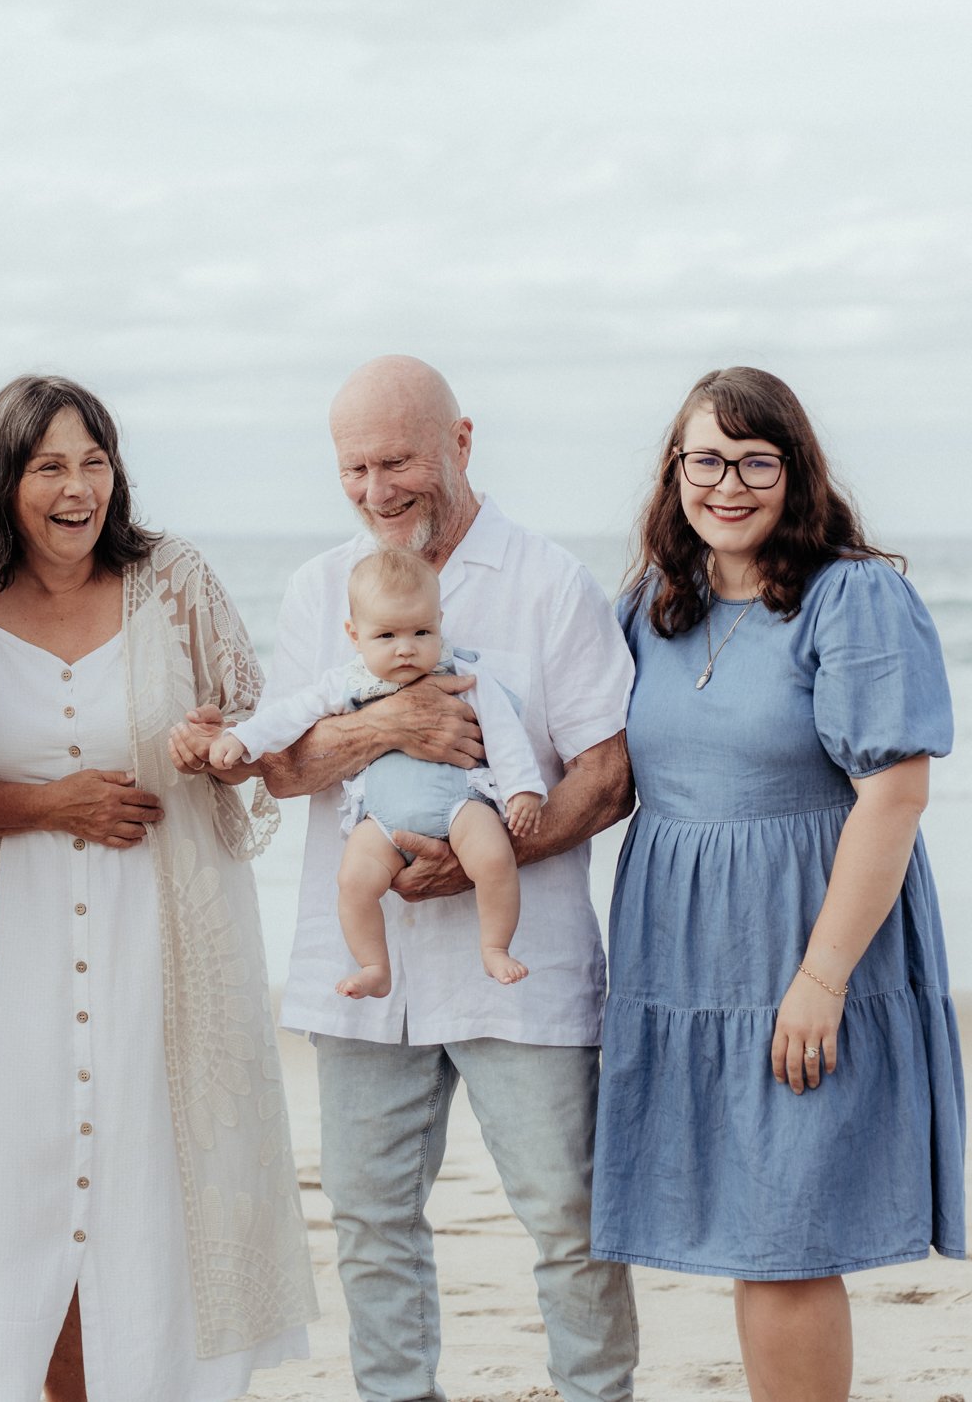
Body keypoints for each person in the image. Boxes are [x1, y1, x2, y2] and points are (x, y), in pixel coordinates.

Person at [175, 355, 639, 1402]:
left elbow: (608, 773)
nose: (377, 491)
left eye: (399, 461)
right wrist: (384, 725)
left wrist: (480, 855)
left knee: (566, 1215)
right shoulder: (319, 589)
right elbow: (286, 764)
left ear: (460, 443)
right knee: (373, 1222)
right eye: (354, 468)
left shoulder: (549, 580)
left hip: (522, 961)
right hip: (361, 962)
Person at [0, 375, 317, 1402]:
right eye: (49, 464)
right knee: (18, 1215)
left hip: (164, 957)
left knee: (148, 1206)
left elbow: (254, 730)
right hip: (12, 966)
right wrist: (53, 804)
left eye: (93, 459)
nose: (77, 485)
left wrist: (212, 741)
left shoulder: (172, 580)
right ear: (5, 481)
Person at [594, 365, 966, 1402]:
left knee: (785, 1235)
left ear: (795, 471)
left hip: (808, 944)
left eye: (756, 459)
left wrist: (823, 975)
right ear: (675, 471)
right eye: (705, 458)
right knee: (745, 1227)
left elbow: (893, 795)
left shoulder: (852, 595)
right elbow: (605, 778)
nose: (728, 483)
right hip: (686, 956)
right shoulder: (654, 608)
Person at [205, 546, 544, 997]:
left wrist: (523, 789)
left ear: (440, 622)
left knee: (495, 858)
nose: (406, 648)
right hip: (380, 819)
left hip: (461, 804)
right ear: (355, 633)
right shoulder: (347, 684)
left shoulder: (461, 674)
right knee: (353, 880)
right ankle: (373, 965)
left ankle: (495, 946)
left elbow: (504, 733)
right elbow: (289, 716)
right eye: (386, 636)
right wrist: (243, 738)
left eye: (422, 631)